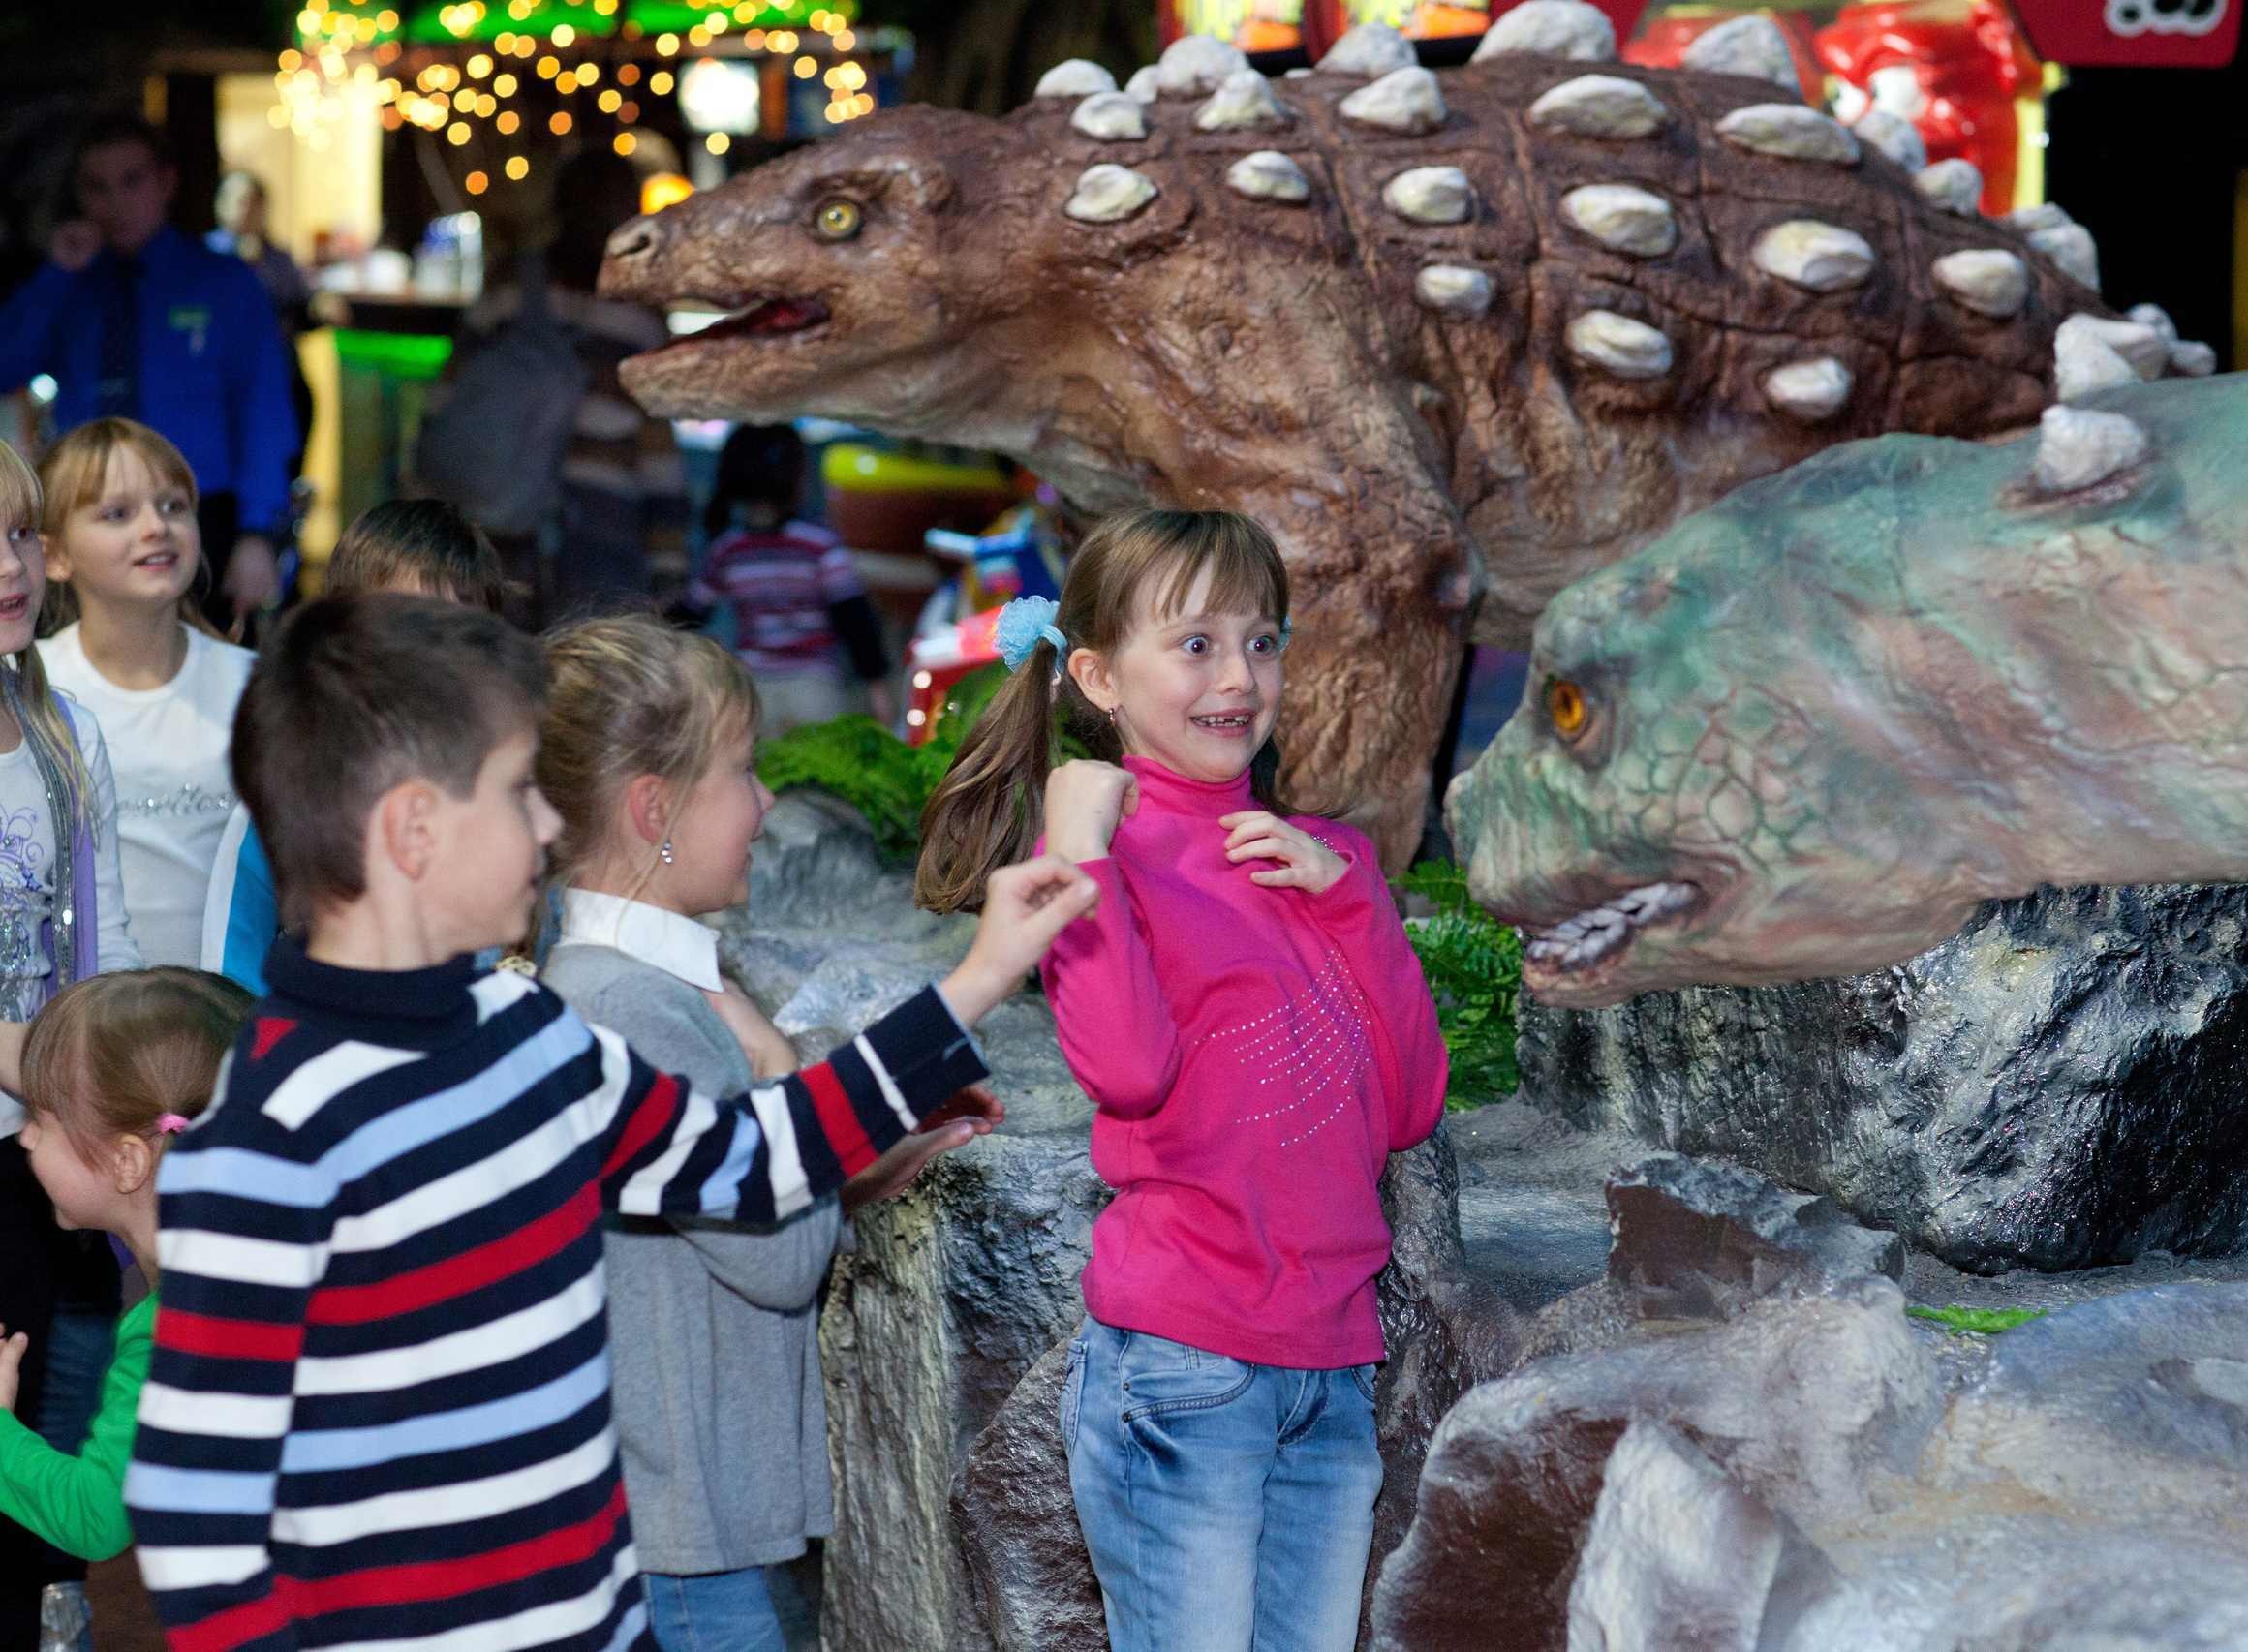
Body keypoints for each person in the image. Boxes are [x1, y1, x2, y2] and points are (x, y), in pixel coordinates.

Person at [125, 593, 1098, 1652]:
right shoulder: (264, 1140)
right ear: (413, 830)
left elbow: (749, 1159)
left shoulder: (531, 1038)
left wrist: (978, 980)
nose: (550, 825)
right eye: (517, 793)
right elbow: (198, 1506)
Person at [915, 509, 1448, 1652]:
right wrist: (1080, 855)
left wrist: (1354, 903)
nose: (1239, 676)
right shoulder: (1099, 865)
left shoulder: (1329, 859)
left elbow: (1410, 1108)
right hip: (1183, 1370)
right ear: (1099, 677)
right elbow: (1129, 1071)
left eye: (1261, 641)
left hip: (1331, 1369)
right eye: (1196, 644)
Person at [535, 615, 978, 1652]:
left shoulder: (626, 985)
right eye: (742, 770)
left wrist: (860, 1163)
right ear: (654, 809)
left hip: (679, 1522)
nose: (766, 800)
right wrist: (776, 1061)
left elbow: (718, 1193)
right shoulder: (633, 1006)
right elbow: (776, 1258)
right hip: (681, 1535)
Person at [0, 440, 142, 1651]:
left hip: (48, 1147)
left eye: (15, 536)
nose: (9, 567)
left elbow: (108, 944)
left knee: (55, 1402)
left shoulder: (61, 731)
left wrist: (113, 1088)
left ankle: (47, 1606)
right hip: (32, 1103)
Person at [199, 497, 507, 994]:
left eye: (456, 632)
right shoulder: (284, 798)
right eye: (402, 624)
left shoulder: (508, 799)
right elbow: (232, 976)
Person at [0, 113, 296, 629]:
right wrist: (55, 275)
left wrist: (257, 535)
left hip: (198, 513)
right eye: (97, 187)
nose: (115, 203)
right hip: (85, 512)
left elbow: (264, 412)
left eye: (132, 181)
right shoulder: (69, 282)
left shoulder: (225, 283)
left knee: (204, 663)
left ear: (167, 182)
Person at [0, 969, 252, 1567]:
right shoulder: (256, 1275)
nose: (26, 1139)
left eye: (42, 1119)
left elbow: (96, 1514)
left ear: (128, 1162)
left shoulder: (174, 1327)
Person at [36, 419, 257, 971]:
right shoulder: (32, 688)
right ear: (54, 556)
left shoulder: (255, 687)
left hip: (230, 1006)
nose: (156, 527)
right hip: (83, 1009)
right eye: (117, 514)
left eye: (174, 506)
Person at [463, 150, 685, 623]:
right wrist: (669, 560)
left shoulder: (511, 284)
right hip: (605, 517)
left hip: (502, 509)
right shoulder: (639, 309)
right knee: (591, 661)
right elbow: (656, 448)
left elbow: (453, 396)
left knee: (501, 656)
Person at [676, 424, 892, 736]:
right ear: (798, 478)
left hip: (754, 694)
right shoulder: (820, 543)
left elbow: (691, 612)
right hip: (814, 691)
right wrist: (877, 688)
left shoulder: (727, 549)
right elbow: (854, 619)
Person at [206, 170, 316, 464]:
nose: (244, 209)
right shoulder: (205, 258)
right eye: (236, 200)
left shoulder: (278, 258)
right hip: (224, 387)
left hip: (281, 379)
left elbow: (301, 307)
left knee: (286, 463)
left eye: (252, 202)